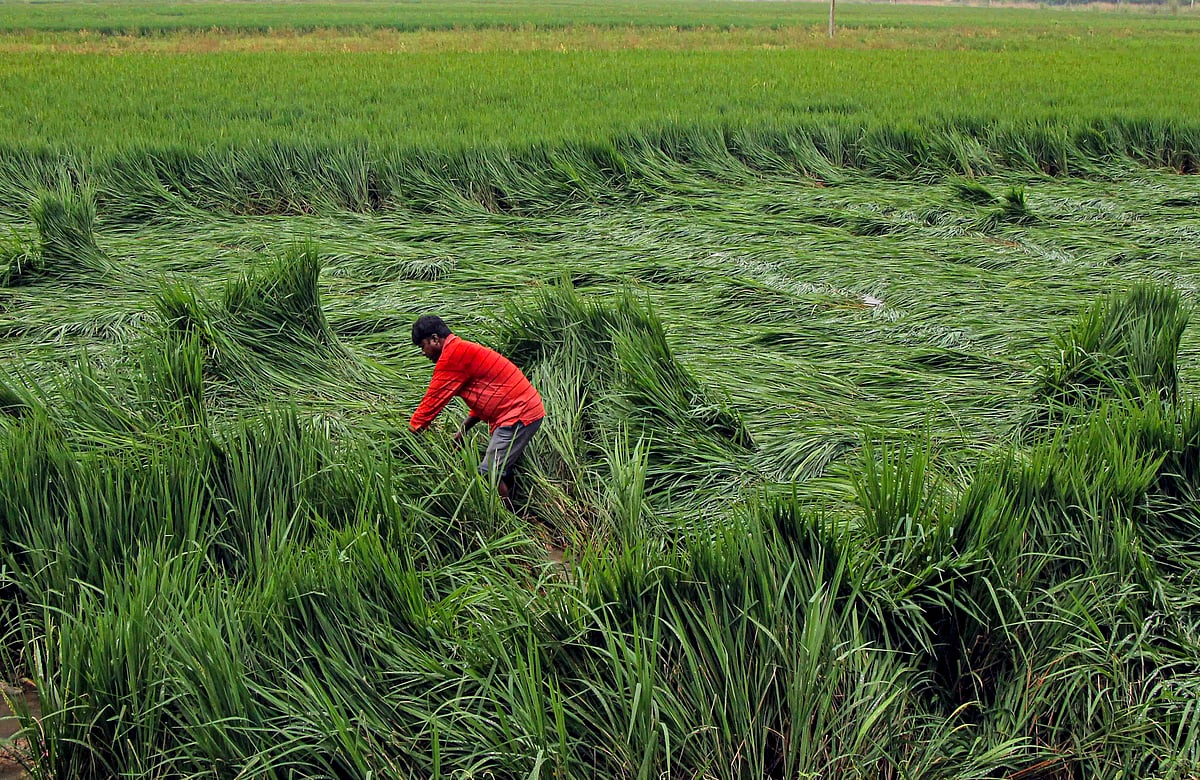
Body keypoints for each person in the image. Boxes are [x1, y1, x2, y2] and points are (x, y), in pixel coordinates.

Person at [409, 315, 545, 507]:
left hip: (518, 414)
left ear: (434, 339)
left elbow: (431, 402)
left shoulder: (453, 356)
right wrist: (462, 431)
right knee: (501, 468)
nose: (423, 352)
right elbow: (485, 397)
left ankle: (509, 522)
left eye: (422, 346)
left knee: (489, 473)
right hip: (520, 409)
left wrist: (410, 432)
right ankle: (516, 504)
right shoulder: (461, 350)